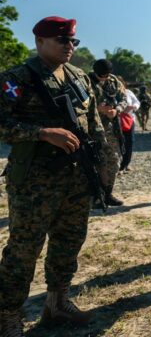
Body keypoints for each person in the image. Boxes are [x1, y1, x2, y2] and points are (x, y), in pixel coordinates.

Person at [0, 17, 105, 334]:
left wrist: (101, 159)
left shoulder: (79, 77)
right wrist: (42, 132)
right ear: (40, 41)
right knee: (23, 248)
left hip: (76, 178)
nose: (70, 47)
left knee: (69, 241)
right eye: (63, 41)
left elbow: (93, 120)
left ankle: (57, 302)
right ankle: (7, 315)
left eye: (74, 41)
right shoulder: (17, 78)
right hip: (35, 180)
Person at [89, 59, 127, 206]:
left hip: (111, 128)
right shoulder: (85, 81)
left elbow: (124, 98)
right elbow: (77, 104)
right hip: (91, 129)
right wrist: (97, 109)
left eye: (106, 75)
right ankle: (96, 195)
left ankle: (108, 193)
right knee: (97, 162)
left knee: (114, 161)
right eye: (101, 75)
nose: (104, 78)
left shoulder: (113, 81)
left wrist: (116, 110)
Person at [119, 79, 140, 173]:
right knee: (119, 142)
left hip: (129, 120)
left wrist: (134, 107)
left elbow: (137, 102)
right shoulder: (111, 93)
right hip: (116, 122)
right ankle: (119, 165)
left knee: (129, 142)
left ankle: (126, 164)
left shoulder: (128, 92)